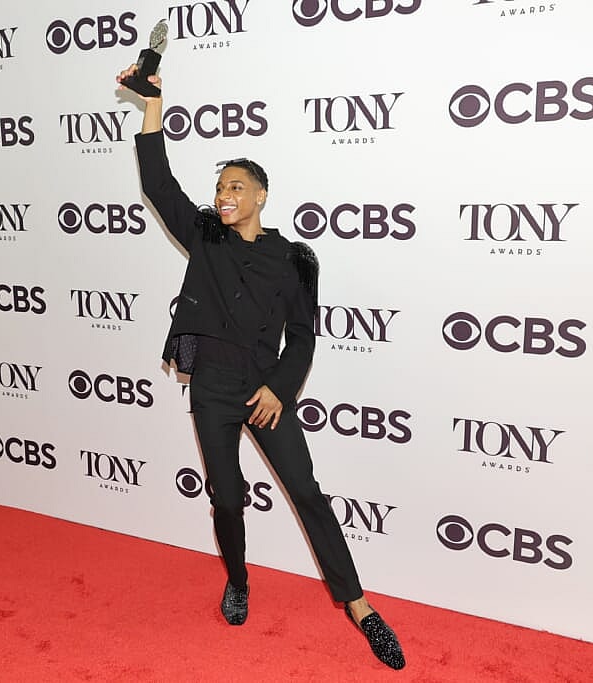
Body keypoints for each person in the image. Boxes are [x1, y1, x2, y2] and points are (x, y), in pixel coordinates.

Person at [116, 65, 405, 671]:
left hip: (265, 389)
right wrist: (152, 104)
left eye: (237, 186)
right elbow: (157, 180)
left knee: (307, 492)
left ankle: (361, 608)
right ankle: (239, 581)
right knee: (226, 497)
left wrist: (278, 387)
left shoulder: (294, 258)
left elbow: (303, 335)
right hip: (213, 389)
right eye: (220, 185)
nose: (225, 194)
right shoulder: (205, 237)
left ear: (262, 195)